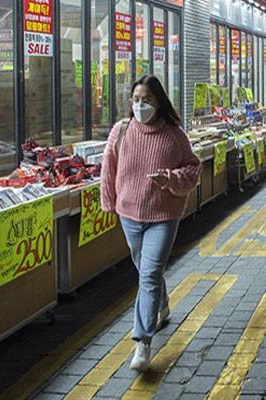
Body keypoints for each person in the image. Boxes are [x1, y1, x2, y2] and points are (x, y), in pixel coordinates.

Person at [100, 75, 200, 372]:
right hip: (128, 214)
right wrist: (108, 202)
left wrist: (168, 179)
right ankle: (162, 304)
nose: (140, 105)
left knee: (149, 273)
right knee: (147, 271)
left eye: (146, 100)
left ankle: (143, 342)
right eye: (136, 100)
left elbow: (193, 170)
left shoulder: (174, 135)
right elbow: (109, 168)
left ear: (159, 102)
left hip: (163, 216)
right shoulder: (121, 131)